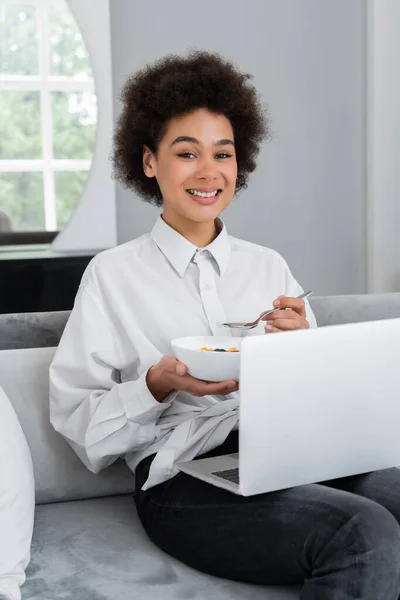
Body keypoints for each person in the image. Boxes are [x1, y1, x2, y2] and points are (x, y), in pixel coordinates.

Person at [49, 51, 400, 599]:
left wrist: (304, 352)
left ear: (241, 163)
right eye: (186, 153)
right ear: (148, 162)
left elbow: (325, 397)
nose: (209, 172)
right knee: (363, 530)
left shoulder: (268, 266)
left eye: (224, 154)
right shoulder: (112, 275)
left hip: (286, 451)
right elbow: (82, 430)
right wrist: (155, 386)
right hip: (180, 475)